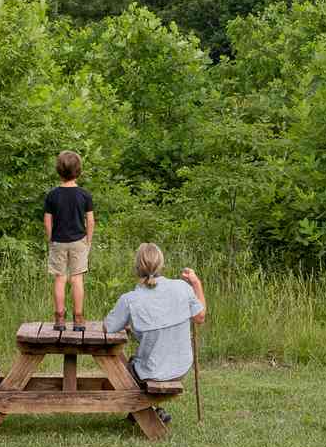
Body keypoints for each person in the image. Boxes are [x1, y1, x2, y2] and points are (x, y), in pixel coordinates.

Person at [103, 243, 206, 425]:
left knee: (120, 366)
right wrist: (196, 283)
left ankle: (143, 412)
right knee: (132, 366)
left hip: (152, 372)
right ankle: (147, 412)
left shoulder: (130, 299)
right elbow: (200, 316)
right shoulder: (182, 288)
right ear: (161, 265)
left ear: (137, 268)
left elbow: (108, 328)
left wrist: (128, 323)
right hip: (181, 368)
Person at [44, 150, 95, 330]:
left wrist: (50, 238)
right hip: (78, 241)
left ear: (59, 170)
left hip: (58, 241)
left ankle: (59, 319)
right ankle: (78, 319)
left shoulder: (52, 195)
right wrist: (88, 240)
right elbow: (90, 220)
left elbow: (48, 219)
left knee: (59, 278)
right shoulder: (84, 195)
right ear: (78, 170)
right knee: (77, 279)